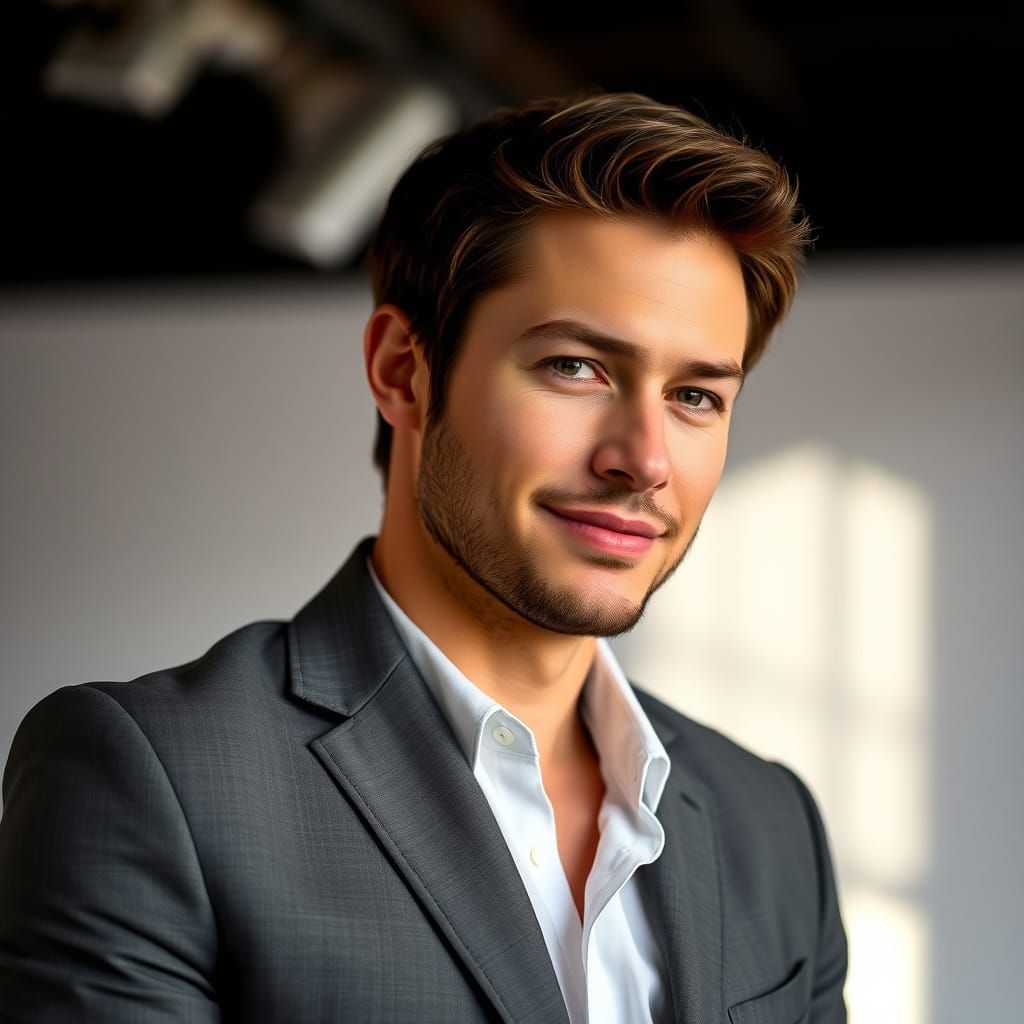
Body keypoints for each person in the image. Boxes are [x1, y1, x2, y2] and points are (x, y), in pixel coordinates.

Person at [0, 91, 847, 1022]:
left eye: (695, 396)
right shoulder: (151, 778)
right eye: (576, 367)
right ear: (404, 369)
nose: (643, 460)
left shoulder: (771, 825)